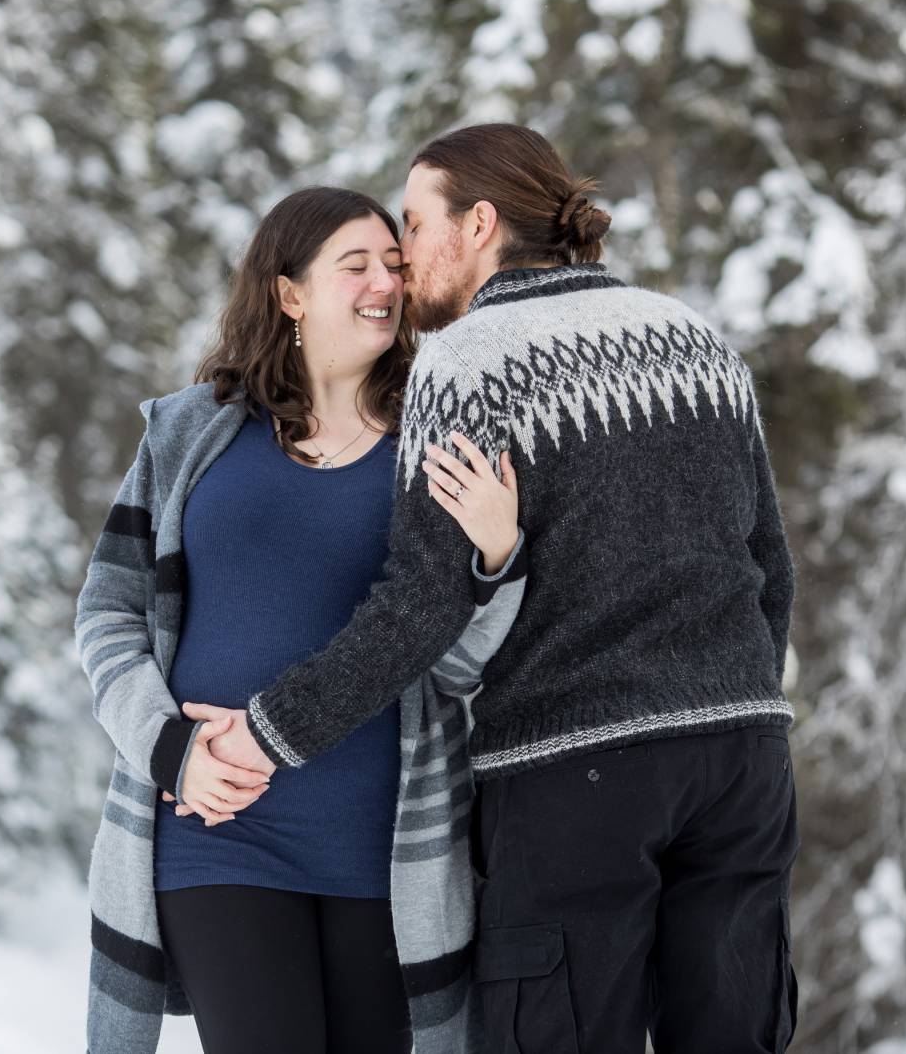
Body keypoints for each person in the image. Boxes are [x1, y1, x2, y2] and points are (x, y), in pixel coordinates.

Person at [190, 124, 799, 1053]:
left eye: (414, 225)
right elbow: (771, 567)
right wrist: (742, 705)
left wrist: (271, 730)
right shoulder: (696, 336)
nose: (400, 266)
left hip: (578, 776)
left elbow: (419, 606)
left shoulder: (470, 360)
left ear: (479, 225)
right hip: (746, 764)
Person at [74, 185, 529, 1054]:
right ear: (289, 292)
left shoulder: (427, 445)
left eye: (394, 266)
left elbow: (455, 666)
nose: (384, 285)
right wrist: (168, 750)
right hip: (217, 833)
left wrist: (495, 561)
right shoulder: (191, 432)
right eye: (354, 265)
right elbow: (107, 610)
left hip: (384, 853)